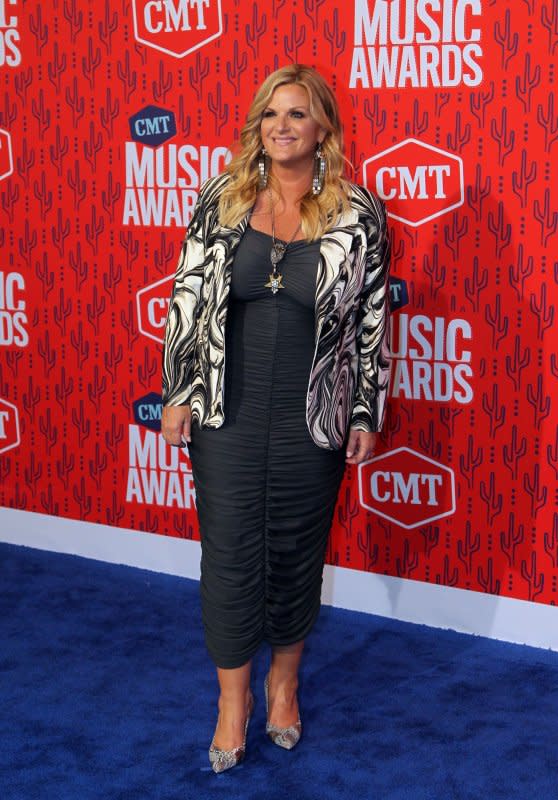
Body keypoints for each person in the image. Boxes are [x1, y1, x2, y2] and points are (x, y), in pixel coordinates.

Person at [160, 64, 391, 773]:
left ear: (323, 127)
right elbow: (187, 301)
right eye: (270, 116)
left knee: (296, 553)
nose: (282, 127)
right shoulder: (222, 202)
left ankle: (283, 684)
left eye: (297, 114)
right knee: (228, 557)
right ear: (257, 129)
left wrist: (364, 410)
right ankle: (233, 703)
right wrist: (176, 391)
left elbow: (373, 324)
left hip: (309, 417)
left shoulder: (358, 212)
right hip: (226, 415)